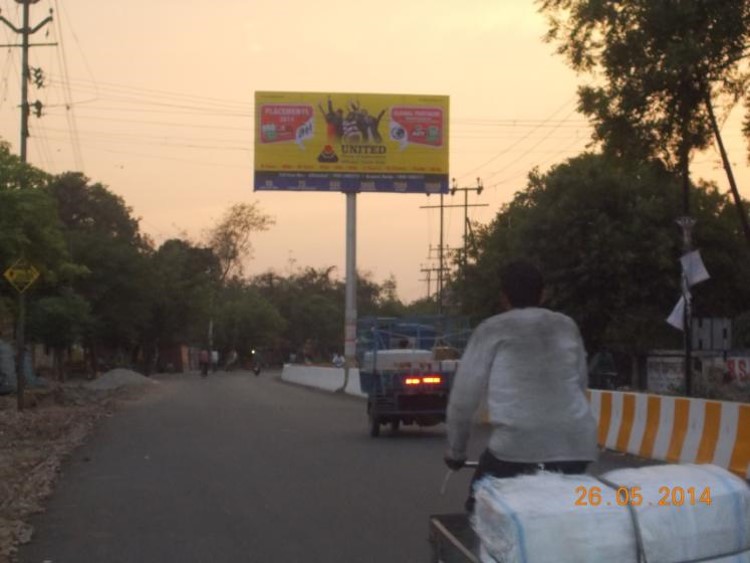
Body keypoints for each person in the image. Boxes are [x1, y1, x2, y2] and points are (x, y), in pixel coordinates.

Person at [444, 260, 598, 512]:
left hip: (515, 448)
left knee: (478, 510)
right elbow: (580, 385)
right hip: (576, 445)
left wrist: (456, 451)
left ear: (503, 297)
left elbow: (463, 400)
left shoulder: (492, 329)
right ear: (543, 293)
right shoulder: (567, 326)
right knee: (569, 516)